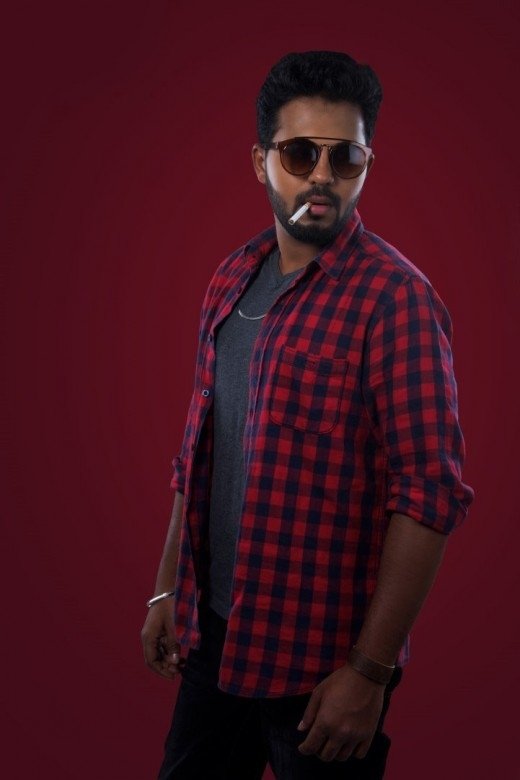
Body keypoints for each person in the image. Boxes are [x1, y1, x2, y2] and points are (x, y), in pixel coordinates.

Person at [141, 50, 474, 779]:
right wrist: (168, 587)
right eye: (299, 153)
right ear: (261, 162)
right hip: (213, 639)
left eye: (344, 157)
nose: (321, 175)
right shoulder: (230, 279)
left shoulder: (397, 302)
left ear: (366, 165)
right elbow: (198, 453)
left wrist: (369, 672)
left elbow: (429, 495)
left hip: (322, 667)